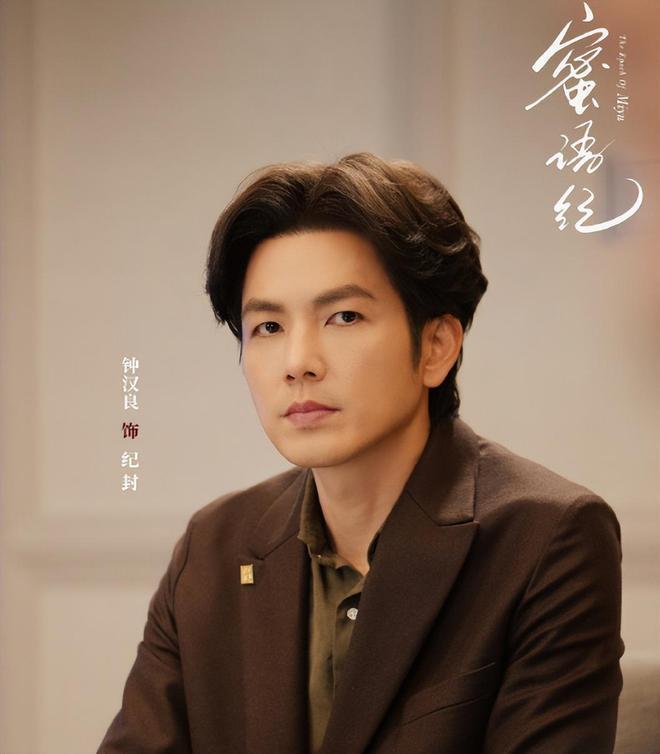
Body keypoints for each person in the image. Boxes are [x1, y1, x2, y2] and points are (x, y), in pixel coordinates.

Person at [97, 152, 624, 754]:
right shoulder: (215, 546)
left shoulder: (547, 539)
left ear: (436, 346)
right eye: (268, 327)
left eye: (344, 317)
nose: (298, 362)